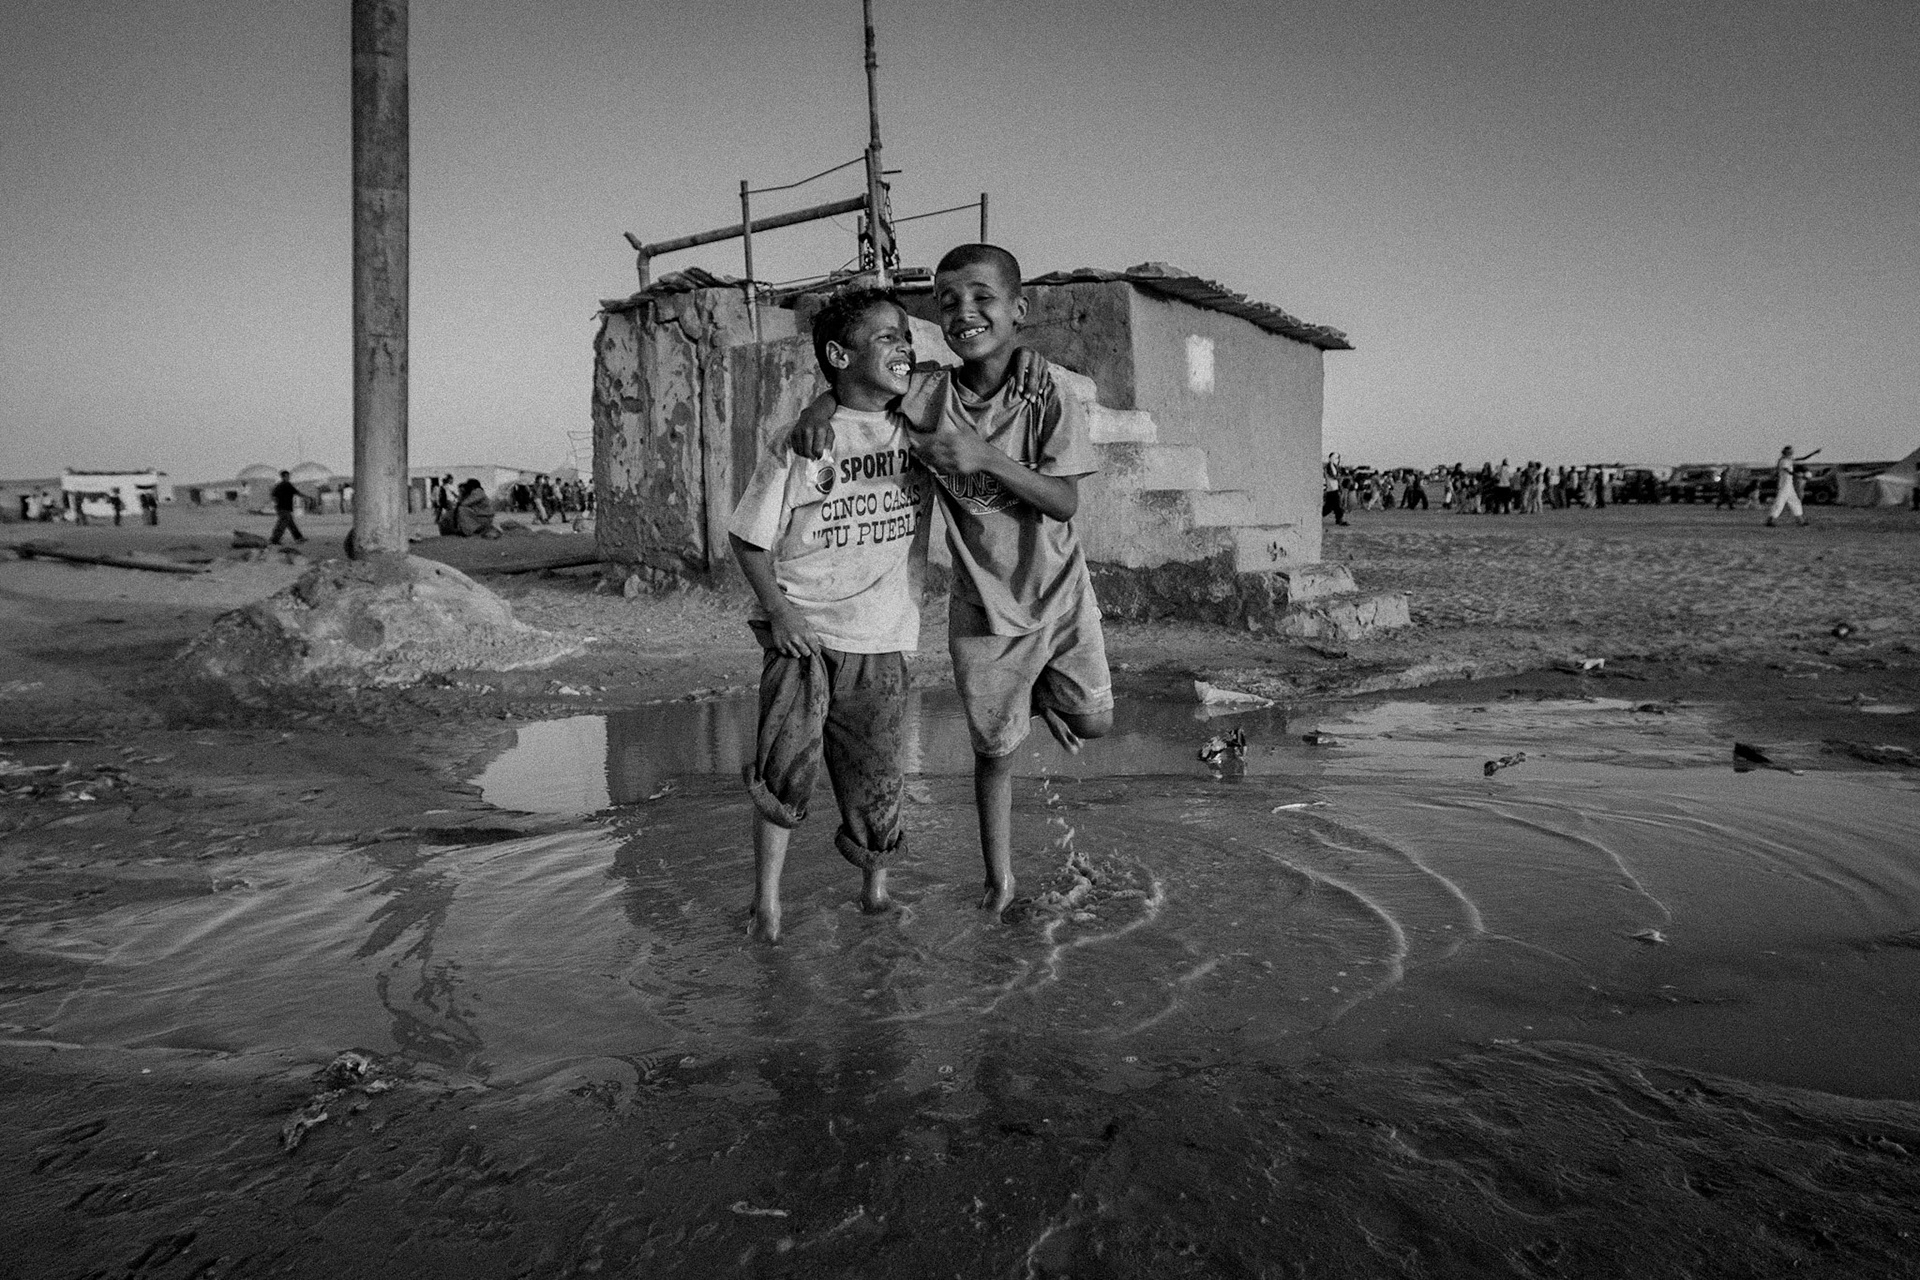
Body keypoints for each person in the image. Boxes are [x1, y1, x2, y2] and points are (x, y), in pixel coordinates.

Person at [791, 244, 1114, 914]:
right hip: (983, 609)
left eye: (981, 297)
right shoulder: (930, 390)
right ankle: (1001, 879)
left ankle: (1040, 694)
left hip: (1057, 594)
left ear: (1018, 311)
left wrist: (985, 456)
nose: (963, 310)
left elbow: (1064, 501)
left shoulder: (1043, 387)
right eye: (947, 300)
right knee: (994, 750)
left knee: (1098, 720)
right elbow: (862, 382)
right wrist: (820, 406)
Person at [729, 286, 932, 943]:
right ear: (841, 355)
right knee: (784, 772)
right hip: (806, 640)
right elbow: (747, 537)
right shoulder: (802, 442)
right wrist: (778, 611)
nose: (903, 346)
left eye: (906, 336)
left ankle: (875, 895)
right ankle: (767, 905)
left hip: (886, 638)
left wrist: (828, 393)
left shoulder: (924, 426)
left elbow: (952, 382)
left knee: (880, 781)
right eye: (885, 338)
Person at [1766, 445, 1820, 526]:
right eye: (1790, 451)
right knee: (1779, 503)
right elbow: (1789, 472)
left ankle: (1800, 521)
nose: (1792, 452)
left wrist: (1814, 453)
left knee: (1795, 502)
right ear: (1786, 452)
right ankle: (1770, 520)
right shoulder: (1783, 461)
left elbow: (1803, 458)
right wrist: (1801, 476)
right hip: (1784, 486)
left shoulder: (1789, 460)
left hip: (1788, 485)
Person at [268, 470, 305, 545]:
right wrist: (307, 497)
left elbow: (273, 495)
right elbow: (297, 492)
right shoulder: (287, 484)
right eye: (288, 476)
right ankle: (274, 540)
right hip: (284, 508)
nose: (289, 477)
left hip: (281, 508)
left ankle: (299, 538)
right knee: (282, 524)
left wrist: (277, 501)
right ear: (284, 476)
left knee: (291, 523)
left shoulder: (278, 485)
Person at [1322, 452, 1348, 525]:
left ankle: (1339, 519)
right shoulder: (1328, 467)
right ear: (1330, 458)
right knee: (1336, 506)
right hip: (1332, 489)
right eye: (1336, 458)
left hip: (1333, 489)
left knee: (1329, 507)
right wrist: (1341, 477)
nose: (1337, 460)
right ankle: (1340, 520)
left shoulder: (1334, 467)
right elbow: (1333, 476)